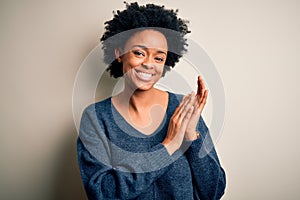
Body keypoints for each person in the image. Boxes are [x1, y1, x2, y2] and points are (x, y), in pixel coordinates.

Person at [77, 2, 226, 199]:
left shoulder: (184, 109)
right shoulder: (96, 118)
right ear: (119, 54)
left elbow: (213, 192)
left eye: (159, 58)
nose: (149, 64)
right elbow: (102, 193)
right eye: (139, 53)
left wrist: (191, 137)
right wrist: (168, 147)